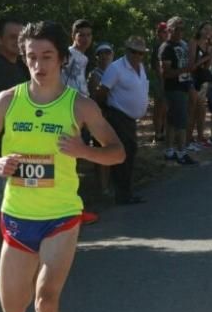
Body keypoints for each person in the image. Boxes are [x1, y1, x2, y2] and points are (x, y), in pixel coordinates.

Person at [0, 21, 124, 312]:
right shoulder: (8, 100)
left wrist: (83, 150)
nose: (38, 65)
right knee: (13, 309)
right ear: (24, 59)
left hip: (61, 217)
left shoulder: (79, 105)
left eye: (47, 57)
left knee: (47, 301)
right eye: (31, 58)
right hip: (18, 217)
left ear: (61, 58)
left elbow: (117, 152)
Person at [0, 18, 29, 235]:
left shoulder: (20, 65)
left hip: (27, 151)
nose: (17, 41)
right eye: (11, 37)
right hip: (4, 151)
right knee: (8, 210)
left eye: (20, 37)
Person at [96, 36, 150, 205]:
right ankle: (122, 194)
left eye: (140, 53)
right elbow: (101, 91)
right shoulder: (116, 68)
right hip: (118, 116)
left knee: (129, 153)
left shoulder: (140, 67)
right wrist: (104, 110)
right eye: (133, 52)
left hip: (129, 119)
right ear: (127, 51)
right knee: (125, 154)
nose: (137, 55)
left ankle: (124, 192)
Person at [61, 19, 99, 225]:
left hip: (79, 111)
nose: (85, 39)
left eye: (88, 35)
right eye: (81, 34)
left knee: (74, 163)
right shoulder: (68, 54)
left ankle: (74, 209)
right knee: (69, 163)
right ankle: (70, 211)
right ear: (73, 35)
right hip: (69, 112)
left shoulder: (83, 57)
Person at [158, 16, 197, 165]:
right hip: (173, 88)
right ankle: (182, 153)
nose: (181, 32)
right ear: (169, 30)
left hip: (184, 85)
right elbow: (165, 73)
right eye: (177, 29)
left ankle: (170, 151)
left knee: (173, 121)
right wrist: (184, 70)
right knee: (181, 121)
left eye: (182, 29)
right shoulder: (166, 48)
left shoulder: (183, 44)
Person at [88, 43, 115, 197]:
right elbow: (95, 98)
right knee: (102, 153)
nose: (104, 56)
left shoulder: (116, 72)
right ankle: (103, 188)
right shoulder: (95, 75)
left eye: (107, 53)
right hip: (101, 118)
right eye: (101, 53)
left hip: (115, 117)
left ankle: (111, 184)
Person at [188, 21, 212, 149]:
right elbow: (192, 65)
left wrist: (210, 55)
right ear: (199, 30)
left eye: (210, 30)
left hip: (203, 79)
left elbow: (207, 67)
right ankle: (188, 138)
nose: (207, 32)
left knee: (201, 110)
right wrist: (206, 57)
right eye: (205, 29)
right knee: (192, 109)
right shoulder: (193, 43)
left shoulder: (209, 46)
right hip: (192, 78)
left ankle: (200, 137)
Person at [148, 22, 169, 144]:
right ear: (159, 33)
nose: (166, 34)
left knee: (166, 108)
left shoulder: (168, 45)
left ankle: (164, 131)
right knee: (159, 107)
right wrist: (163, 81)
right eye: (163, 32)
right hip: (160, 81)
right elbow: (157, 66)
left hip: (169, 80)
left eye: (167, 32)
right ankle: (158, 133)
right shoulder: (158, 47)